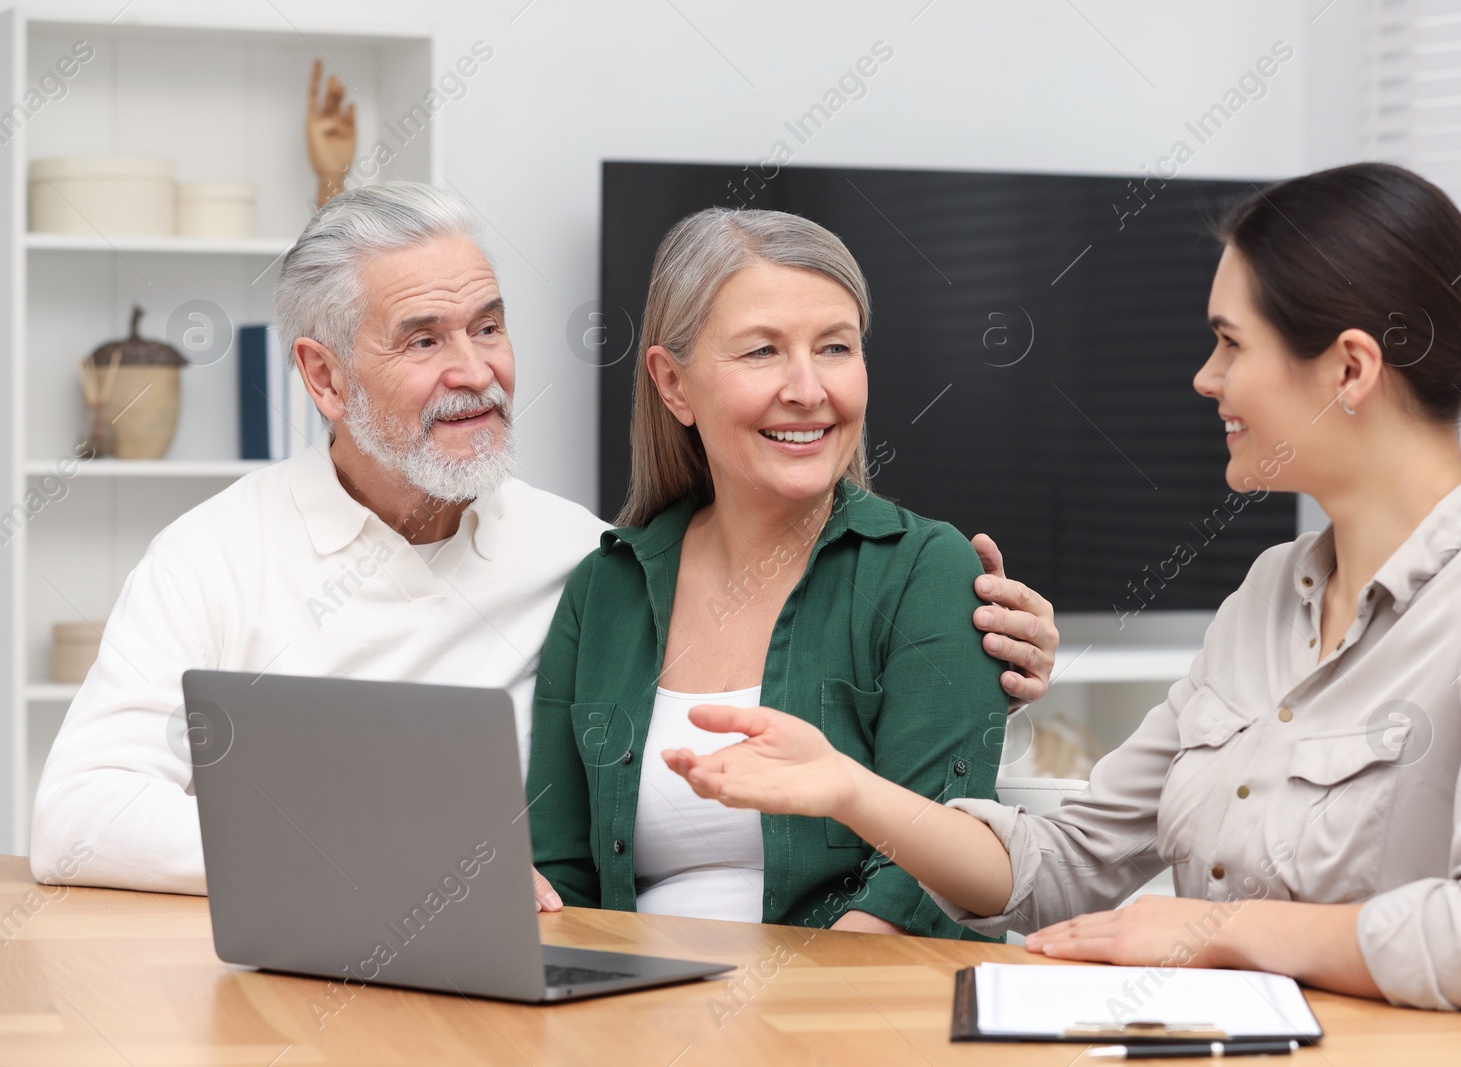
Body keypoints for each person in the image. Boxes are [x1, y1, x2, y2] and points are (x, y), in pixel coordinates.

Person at [660, 163, 1461, 1013]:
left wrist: (1215, 935)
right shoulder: (1271, 596)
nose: (1204, 377)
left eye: (1231, 343)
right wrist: (848, 789)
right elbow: (1068, 864)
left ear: (1349, 368)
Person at [29, 183, 1059, 896]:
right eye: (424, 340)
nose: (476, 370)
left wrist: (1000, 652)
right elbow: (76, 814)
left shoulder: (583, 557)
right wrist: (367, 861)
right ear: (324, 377)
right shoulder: (213, 554)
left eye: (489, 325)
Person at [527, 208, 1023, 938]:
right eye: (762, 351)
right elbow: (562, 873)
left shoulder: (927, 570)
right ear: (673, 384)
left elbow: (923, 877)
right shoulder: (603, 589)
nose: (807, 388)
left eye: (835, 347)